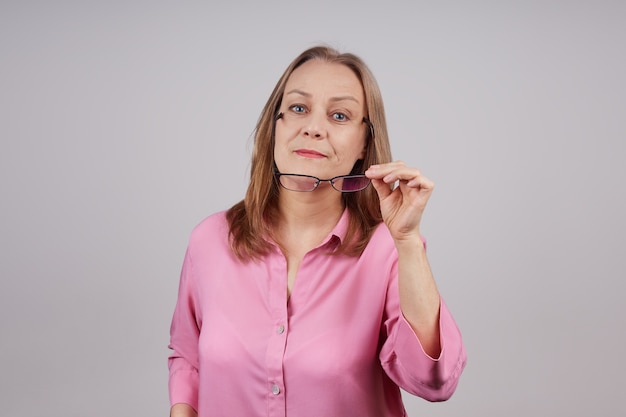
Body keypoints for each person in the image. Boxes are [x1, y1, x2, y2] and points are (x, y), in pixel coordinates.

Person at [167, 45, 467, 417]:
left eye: (339, 115)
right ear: (274, 125)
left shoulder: (388, 251)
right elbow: (188, 357)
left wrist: (406, 242)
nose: (313, 127)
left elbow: (433, 381)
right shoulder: (210, 240)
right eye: (298, 108)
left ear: (364, 143)